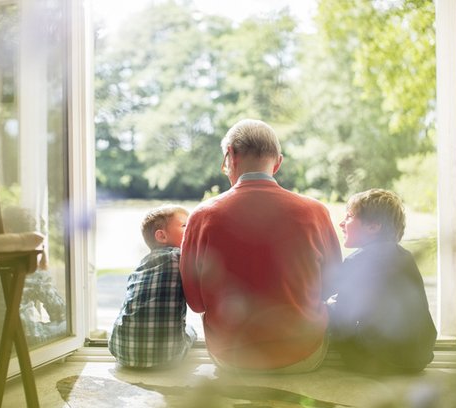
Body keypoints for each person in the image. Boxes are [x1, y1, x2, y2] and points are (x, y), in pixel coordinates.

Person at [179, 119, 342, 373]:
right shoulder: (315, 212)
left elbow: (196, 303)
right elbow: (331, 286)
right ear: (278, 162)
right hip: (303, 355)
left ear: (230, 155)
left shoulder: (202, 216)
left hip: (232, 359)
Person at [329, 188, 437, 374]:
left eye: (349, 217)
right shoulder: (406, 257)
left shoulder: (356, 260)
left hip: (376, 361)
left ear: (373, 226)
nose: (341, 223)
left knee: (326, 312)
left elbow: (342, 324)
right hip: (419, 358)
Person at [109, 204, 197, 369]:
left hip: (121, 350)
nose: (192, 229)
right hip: (167, 357)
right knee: (191, 330)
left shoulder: (141, 265)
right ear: (162, 236)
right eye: (186, 226)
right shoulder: (180, 257)